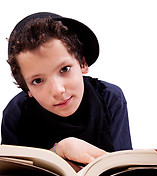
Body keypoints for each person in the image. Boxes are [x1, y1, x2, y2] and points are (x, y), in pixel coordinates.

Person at [1, 12, 132, 164]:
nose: (58, 90)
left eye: (64, 69)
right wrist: (59, 151)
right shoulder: (16, 113)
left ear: (82, 63)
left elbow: (124, 172)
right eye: (37, 80)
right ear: (27, 89)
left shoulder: (110, 98)